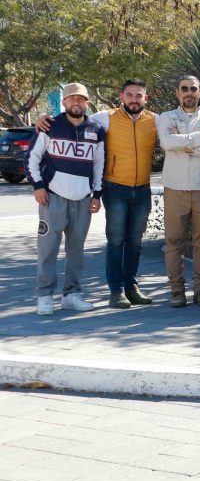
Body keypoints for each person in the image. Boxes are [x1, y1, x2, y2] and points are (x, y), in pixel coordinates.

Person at [35, 78, 158, 309]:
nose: (134, 99)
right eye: (129, 95)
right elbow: (75, 118)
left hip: (142, 189)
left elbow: (176, 131)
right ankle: (116, 291)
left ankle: (131, 287)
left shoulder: (155, 121)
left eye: (138, 95)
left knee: (135, 242)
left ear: (145, 98)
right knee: (116, 241)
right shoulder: (105, 118)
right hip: (115, 188)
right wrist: (43, 118)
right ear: (121, 97)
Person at [26, 82, 105, 315]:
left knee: (76, 250)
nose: (76, 103)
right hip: (53, 197)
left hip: (83, 199)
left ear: (87, 102)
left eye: (81, 99)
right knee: (47, 249)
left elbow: (99, 164)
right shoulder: (49, 125)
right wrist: (38, 186)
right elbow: (31, 158)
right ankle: (44, 296)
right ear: (64, 102)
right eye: (72, 99)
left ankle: (71, 295)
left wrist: (97, 194)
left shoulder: (96, 129)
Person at [157, 75, 200, 308]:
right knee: (174, 241)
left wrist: (185, 147)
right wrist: (199, 138)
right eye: (184, 89)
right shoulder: (167, 117)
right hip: (175, 187)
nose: (189, 93)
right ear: (177, 93)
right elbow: (167, 143)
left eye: (193, 89)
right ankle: (176, 290)